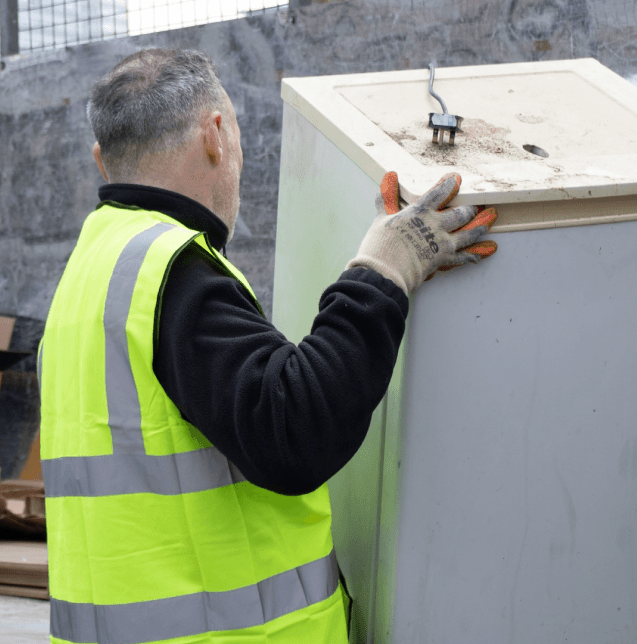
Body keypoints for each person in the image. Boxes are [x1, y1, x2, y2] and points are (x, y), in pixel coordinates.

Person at [36, 47, 497, 644]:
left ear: (104, 162)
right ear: (216, 133)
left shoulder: (86, 281)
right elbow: (292, 431)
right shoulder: (172, 271)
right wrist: (383, 271)